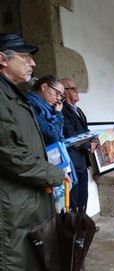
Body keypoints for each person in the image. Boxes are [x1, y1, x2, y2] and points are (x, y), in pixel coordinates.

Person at [0, 32, 66, 271]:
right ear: (2, 59)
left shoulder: (13, 95)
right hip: (12, 204)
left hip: (27, 200)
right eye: (25, 57)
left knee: (32, 267)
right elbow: (8, 152)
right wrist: (52, 174)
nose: (33, 63)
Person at [27, 75, 77, 211]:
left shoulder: (48, 108)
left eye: (61, 96)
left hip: (55, 162)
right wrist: (58, 114)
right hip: (44, 165)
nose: (58, 99)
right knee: (54, 213)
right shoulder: (31, 105)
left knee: (62, 207)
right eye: (57, 93)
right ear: (44, 87)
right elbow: (52, 135)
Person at [61, 78, 97, 212]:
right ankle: (74, 230)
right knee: (73, 201)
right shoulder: (62, 110)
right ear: (63, 92)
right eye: (73, 88)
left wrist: (94, 141)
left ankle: (83, 227)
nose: (77, 91)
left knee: (83, 197)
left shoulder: (78, 110)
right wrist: (88, 146)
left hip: (82, 161)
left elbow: (86, 131)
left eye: (76, 88)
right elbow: (71, 134)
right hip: (72, 162)